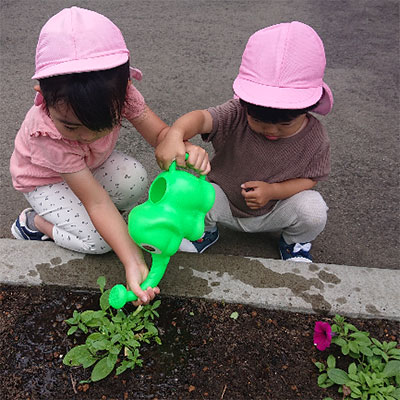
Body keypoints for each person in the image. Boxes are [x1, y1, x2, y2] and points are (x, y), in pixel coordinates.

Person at [9, 7, 209, 304]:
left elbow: (160, 137)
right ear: (43, 94)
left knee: (136, 179)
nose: (87, 136)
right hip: (44, 181)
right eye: (72, 127)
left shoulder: (122, 93)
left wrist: (181, 145)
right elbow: (97, 201)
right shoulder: (48, 134)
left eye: (101, 126)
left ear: (125, 89)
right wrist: (132, 260)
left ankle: (86, 220)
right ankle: (34, 223)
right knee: (98, 242)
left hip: (86, 169)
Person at [155, 21, 333, 262]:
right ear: (245, 104)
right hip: (223, 201)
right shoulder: (236, 113)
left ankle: (294, 243)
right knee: (194, 192)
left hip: (277, 207)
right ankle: (203, 232)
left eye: (285, 124)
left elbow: (310, 179)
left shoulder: (315, 137)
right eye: (258, 120)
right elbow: (200, 118)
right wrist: (175, 133)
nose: (271, 130)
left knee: (313, 210)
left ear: (308, 109)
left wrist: (273, 191)